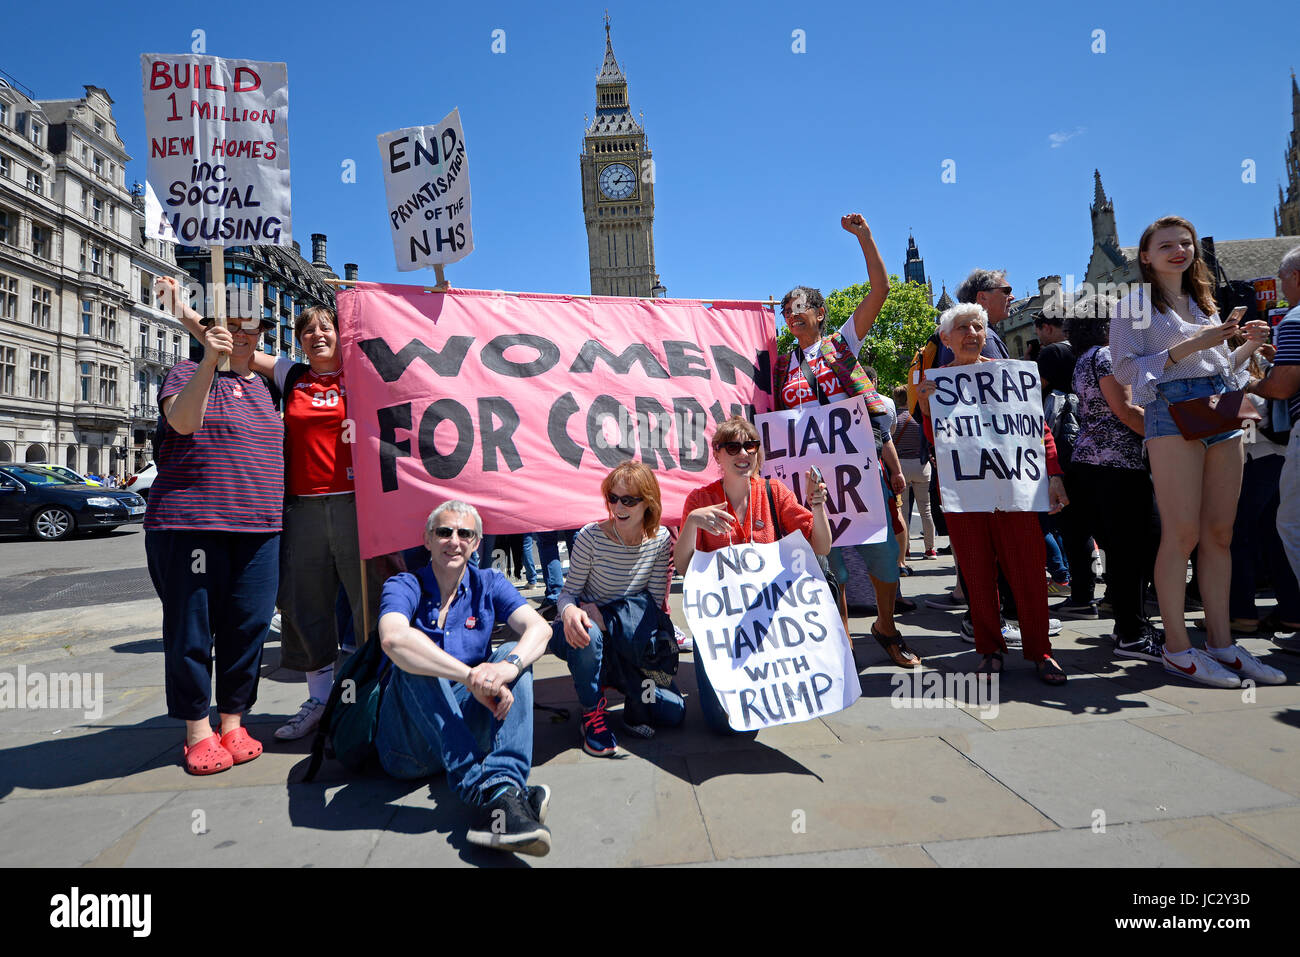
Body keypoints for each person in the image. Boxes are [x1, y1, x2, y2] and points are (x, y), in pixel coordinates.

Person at [156, 278, 381, 742]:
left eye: (326, 329)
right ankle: (319, 700)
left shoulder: (364, 372)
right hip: (300, 510)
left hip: (357, 506)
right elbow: (231, 342)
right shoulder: (289, 375)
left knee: (370, 608)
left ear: (343, 334)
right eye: (307, 331)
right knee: (307, 608)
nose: (317, 337)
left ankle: (373, 701)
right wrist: (180, 310)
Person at [1110, 215, 1283, 687]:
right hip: (1170, 413)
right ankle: (1177, 647)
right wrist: (1192, 344)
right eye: (1166, 245)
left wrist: (1245, 348)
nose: (1179, 251)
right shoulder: (1135, 305)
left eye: (1185, 243)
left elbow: (1222, 369)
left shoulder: (1204, 301)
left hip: (1219, 408)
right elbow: (1125, 371)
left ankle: (1222, 643)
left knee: (1221, 533)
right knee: (1181, 533)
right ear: (1145, 256)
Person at [144, 297, 282, 775]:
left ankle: (233, 721)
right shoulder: (186, 371)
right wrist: (208, 356)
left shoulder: (267, 387)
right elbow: (183, 421)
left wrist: (183, 310)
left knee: (248, 627)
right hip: (190, 525)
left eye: (252, 328)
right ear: (210, 331)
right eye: (231, 326)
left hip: (260, 527)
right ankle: (196, 730)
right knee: (192, 632)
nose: (242, 335)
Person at [771, 213, 915, 667]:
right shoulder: (780, 366)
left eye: (800, 309)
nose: (793, 316)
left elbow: (880, 292)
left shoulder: (842, 343)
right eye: (786, 310)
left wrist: (866, 239)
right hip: (810, 478)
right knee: (825, 559)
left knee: (883, 554)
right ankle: (841, 641)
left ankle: (886, 626)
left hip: (857, 470)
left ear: (820, 313)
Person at [376, 501, 555, 855]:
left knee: (511, 656)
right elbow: (393, 638)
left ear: (477, 542)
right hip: (408, 746)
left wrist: (508, 667)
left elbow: (540, 628)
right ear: (427, 540)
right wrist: (469, 676)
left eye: (464, 533)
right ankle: (488, 792)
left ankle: (504, 790)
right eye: (444, 532)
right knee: (413, 659)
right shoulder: (405, 583)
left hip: (465, 730)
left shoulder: (489, 582)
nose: (453, 541)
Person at [917, 303, 1069, 684]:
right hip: (965, 494)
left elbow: (1038, 431)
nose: (972, 333)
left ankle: (1041, 651)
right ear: (947, 338)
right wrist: (924, 407)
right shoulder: (936, 385)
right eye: (962, 327)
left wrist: (1053, 474)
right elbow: (938, 444)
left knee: (1029, 571)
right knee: (976, 571)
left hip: (1015, 490)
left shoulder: (1010, 376)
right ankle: (989, 648)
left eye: (978, 326)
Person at [675, 416, 832, 733]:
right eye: (733, 447)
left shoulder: (775, 492)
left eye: (751, 445)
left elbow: (822, 547)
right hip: (722, 618)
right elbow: (682, 567)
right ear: (717, 454)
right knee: (722, 725)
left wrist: (817, 505)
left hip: (768, 617)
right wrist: (692, 522)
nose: (743, 453)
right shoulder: (700, 500)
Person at [551, 462, 683, 756]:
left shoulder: (660, 539)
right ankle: (592, 713)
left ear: (648, 502)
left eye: (628, 500)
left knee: (674, 714)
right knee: (589, 632)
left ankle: (615, 679)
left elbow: (653, 604)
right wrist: (570, 611)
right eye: (613, 498)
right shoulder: (590, 536)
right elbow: (568, 594)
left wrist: (607, 619)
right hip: (582, 634)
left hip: (627, 638)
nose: (618, 506)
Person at [1067, 296, 1162, 659]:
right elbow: (1124, 410)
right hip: (1116, 465)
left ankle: (1130, 625)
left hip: (1096, 464)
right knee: (1134, 547)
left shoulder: (1085, 358)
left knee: (1126, 548)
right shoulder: (1106, 357)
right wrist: (1170, 430)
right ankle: (1132, 631)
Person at [1246, 243, 1300, 653]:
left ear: (1294, 277)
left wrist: (1252, 383)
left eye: (1281, 279)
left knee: (1291, 526)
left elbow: (1282, 388)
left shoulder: (1296, 319)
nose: (1280, 289)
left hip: (1278, 443)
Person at [892, 384, 935, 563]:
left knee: (904, 509)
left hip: (901, 466)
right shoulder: (917, 419)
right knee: (926, 509)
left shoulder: (895, 420)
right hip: (921, 465)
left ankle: (906, 548)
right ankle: (930, 548)